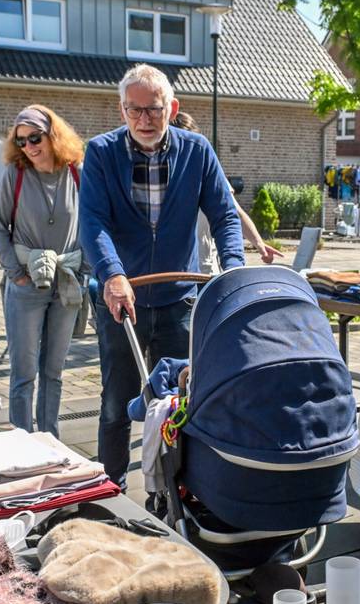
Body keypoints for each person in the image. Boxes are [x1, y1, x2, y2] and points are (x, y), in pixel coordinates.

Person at [80, 64, 245, 487]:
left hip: (179, 301)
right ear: (122, 111)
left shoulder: (196, 150)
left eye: (153, 110)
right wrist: (112, 274)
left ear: (172, 108)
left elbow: (224, 214)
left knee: (181, 400)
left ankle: (181, 491)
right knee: (117, 402)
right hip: (123, 301)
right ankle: (110, 487)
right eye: (134, 111)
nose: (144, 120)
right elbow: (93, 222)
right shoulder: (101, 152)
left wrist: (234, 268)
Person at [0, 105, 86, 438]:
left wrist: (83, 268)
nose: (29, 147)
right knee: (24, 373)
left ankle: (50, 440)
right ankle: (21, 441)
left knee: (54, 371)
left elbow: (93, 222)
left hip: (66, 282)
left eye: (35, 137)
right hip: (27, 285)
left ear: (52, 135)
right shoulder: (15, 175)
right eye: (21, 141)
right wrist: (16, 272)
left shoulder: (77, 172)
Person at [172, 111, 285, 272]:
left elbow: (235, 213)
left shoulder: (209, 174)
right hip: (172, 275)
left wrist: (259, 243)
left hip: (206, 270)